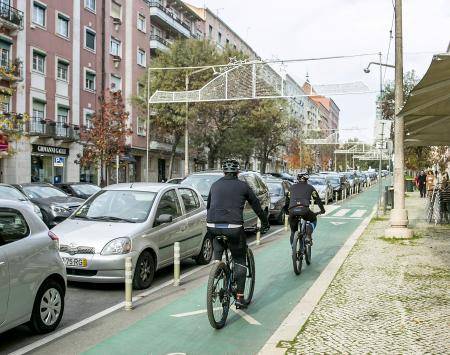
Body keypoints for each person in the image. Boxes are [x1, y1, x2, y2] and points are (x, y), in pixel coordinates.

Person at [206, 159, 270, 309]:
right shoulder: (243, 186)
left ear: (223, 172)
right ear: (238, 172)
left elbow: (209, 206)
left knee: (218, 244)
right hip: (234, 228)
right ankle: (240, 297)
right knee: (239, 258)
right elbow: (256, 206)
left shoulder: (215, 185)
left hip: (212, 226)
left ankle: (217, 267)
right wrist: (265, 223)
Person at [284, 172, 325, 246]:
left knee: (293, 231)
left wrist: (287, 211)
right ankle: (308, 236)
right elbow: (317, 199)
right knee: (313, 219)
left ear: (298, 179)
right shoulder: (310, 187)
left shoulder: (291, 188)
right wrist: (322, 210)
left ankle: (293, 250)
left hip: (292, 210)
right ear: (307, 179)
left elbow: (287, 201)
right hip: (304, 210)